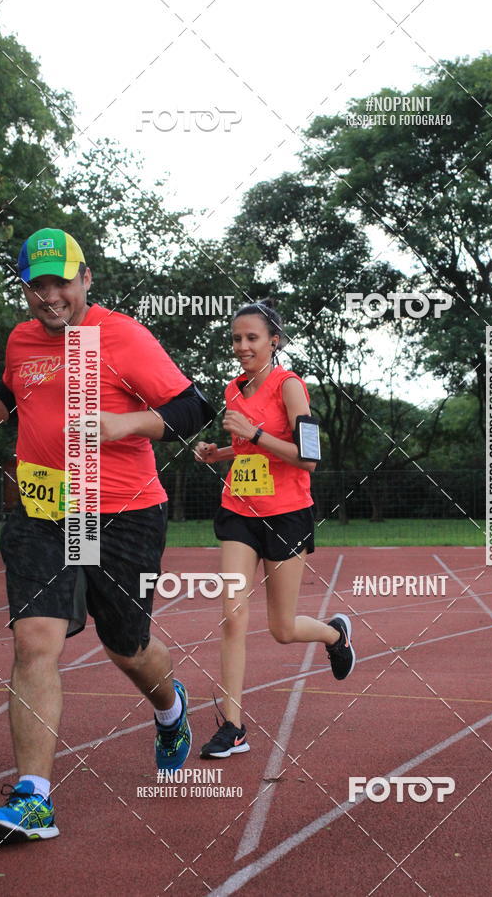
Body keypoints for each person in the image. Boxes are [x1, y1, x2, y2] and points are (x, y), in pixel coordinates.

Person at [0, 228, 214, 844]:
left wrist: (124, 423)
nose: (50, 296)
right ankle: (34, 797)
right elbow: (7, 394)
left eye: (61, 281)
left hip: (122, 512)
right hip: (43, 511)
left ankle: (170, 708)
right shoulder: (20, 339)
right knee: (35, 640)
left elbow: (192, 408)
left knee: (127, 645)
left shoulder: (124, 337)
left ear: (86, 278)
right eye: (37, 285)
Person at [194, 299, 355, 760]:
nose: (242, 346)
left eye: (252, 338)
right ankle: (233, 726)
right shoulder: (233, 389)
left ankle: (333, 635)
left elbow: (308, 458)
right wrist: (218, 453)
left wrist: (254, 432)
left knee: (282, 628)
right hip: (239, 510)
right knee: (232, 613)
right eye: (236, 339)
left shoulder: (290, 387)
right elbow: (246, 449)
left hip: (286, 514)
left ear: (273, 342)